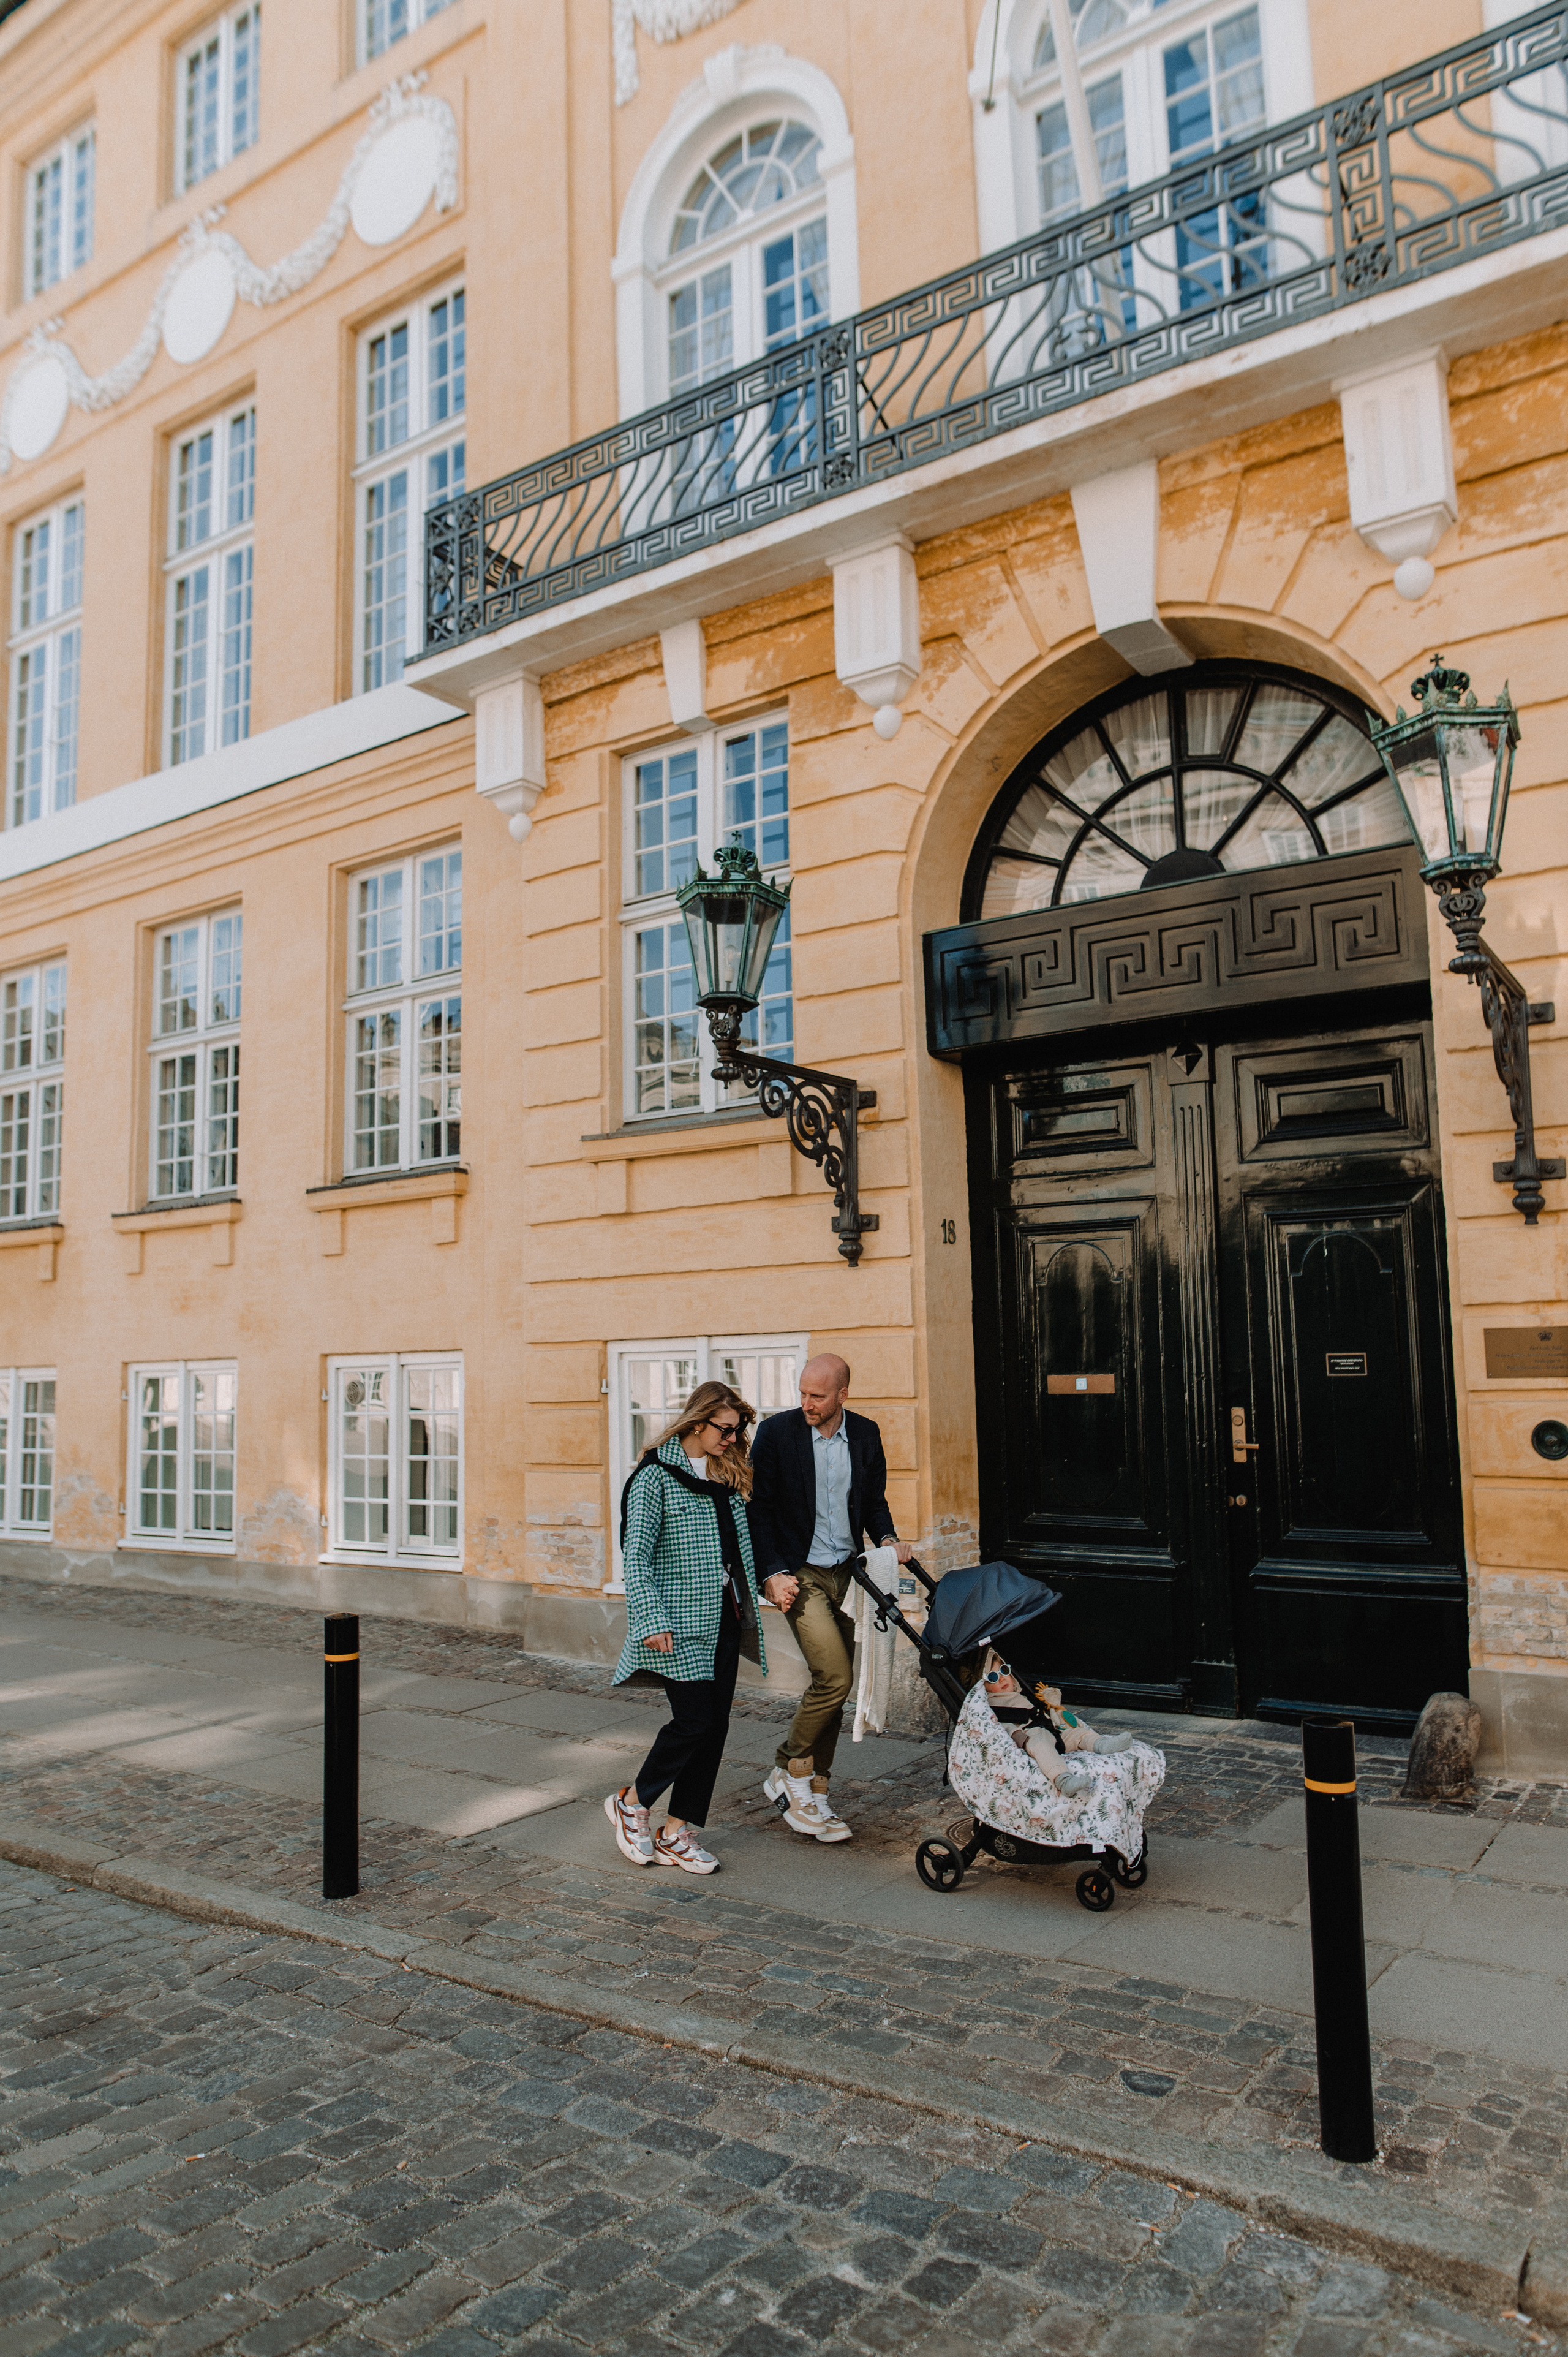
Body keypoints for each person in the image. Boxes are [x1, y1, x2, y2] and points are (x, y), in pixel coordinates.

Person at [748, 1355, 911, 1842]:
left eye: (817, 1396)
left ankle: (818, 1790)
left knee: (835, 1689)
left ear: (843, 1394)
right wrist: (772, 1572)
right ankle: (788, 1769)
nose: (807, 1403)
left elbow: (874, 1502)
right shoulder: (777, 1434)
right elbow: (759, 1510)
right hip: (800, 1574)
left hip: (848, 1572)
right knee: (835, 1676)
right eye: (802, 1393)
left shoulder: (864, 1433)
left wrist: (887, 1539)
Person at [605, 1380, 765, 1875]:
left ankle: (676, 1831)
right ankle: (632, 1802)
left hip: (723, 1617)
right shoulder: (654, 1476)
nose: (732, 1439)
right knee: (693, 1720)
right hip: (676, 1621)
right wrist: (651, 1618)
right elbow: (637, 1556)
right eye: (725, 1429)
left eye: (737, 1431)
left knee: (714, 1727)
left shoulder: (724, 1472)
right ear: (697, 1422)